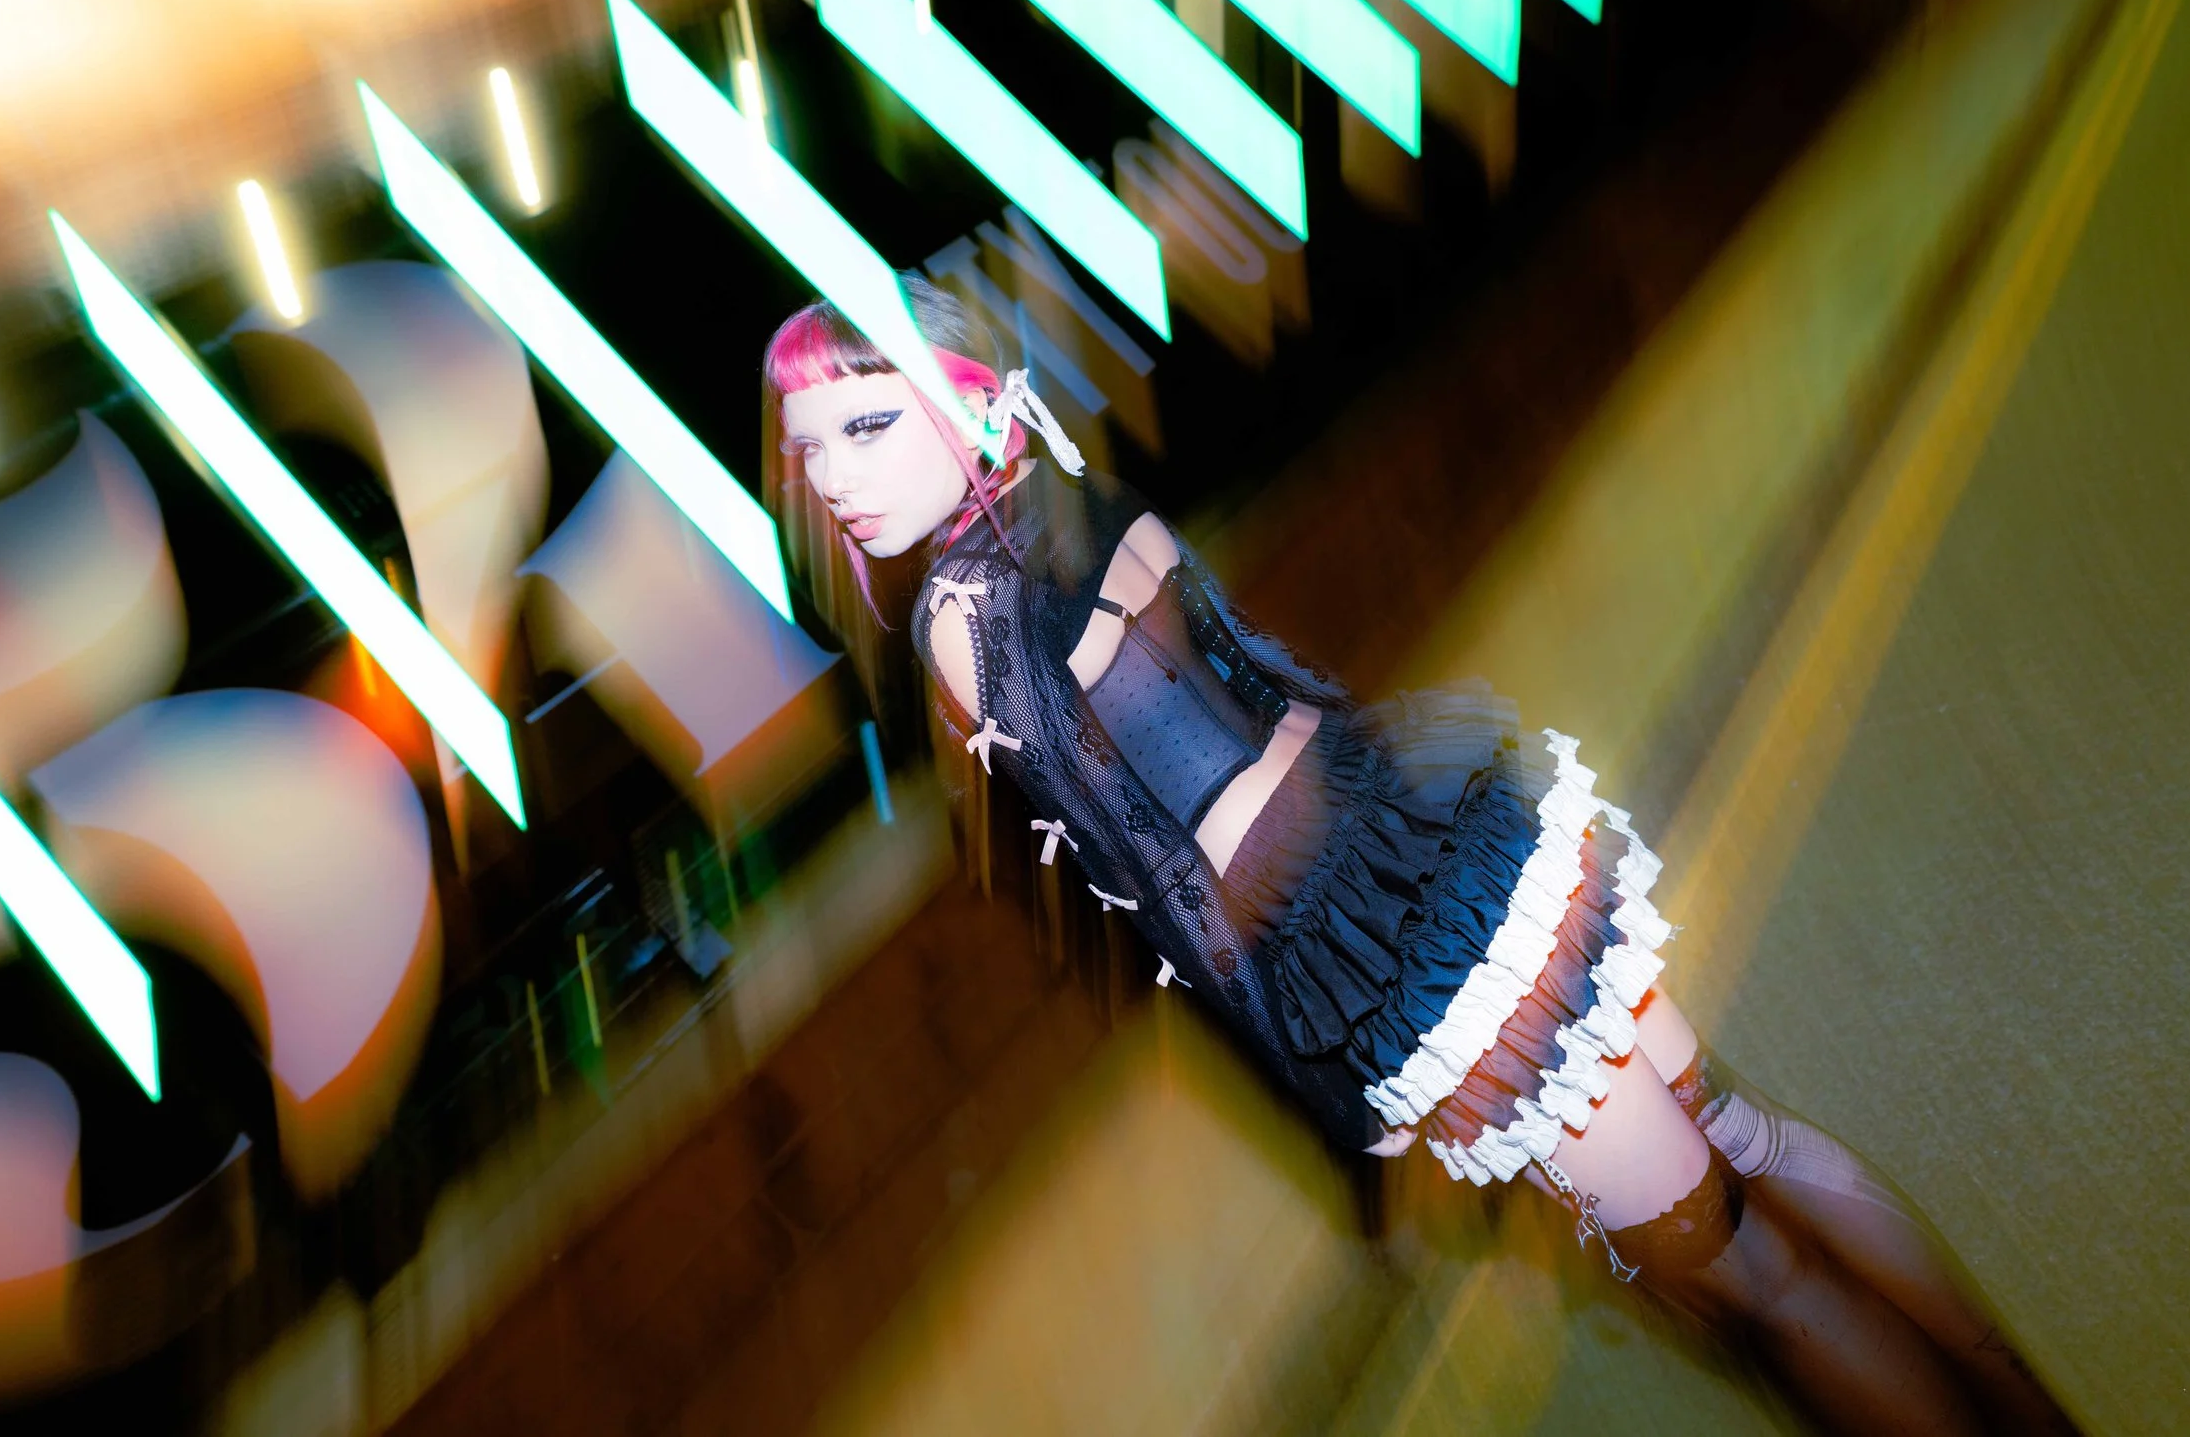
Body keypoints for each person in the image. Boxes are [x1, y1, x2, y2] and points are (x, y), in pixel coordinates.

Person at [765, 280, 2078, 1436]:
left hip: (1401, 954)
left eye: (866, 424)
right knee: (1740, 1135)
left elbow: (1168, 894)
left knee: (1737, 1274)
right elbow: (1273, 686)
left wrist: (1331, 1099)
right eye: (810, 445)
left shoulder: (962, 615)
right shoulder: (1074, 493)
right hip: (1445, 835)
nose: (832, 474)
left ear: (966, 396)